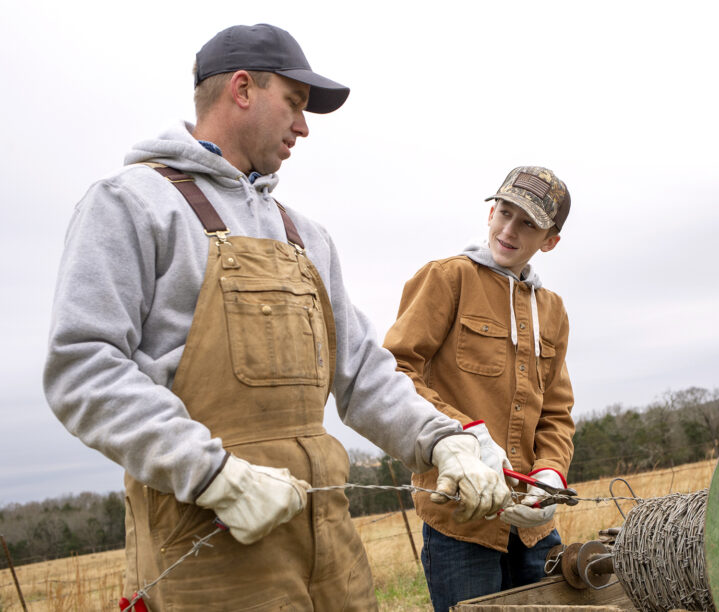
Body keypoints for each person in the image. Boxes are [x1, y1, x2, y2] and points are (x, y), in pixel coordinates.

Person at [43, 24, 511, 610]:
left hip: (328, 547)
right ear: (242, 89)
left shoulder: (306, 236)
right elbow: (83, 366)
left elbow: (364, 372)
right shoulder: (132, 204)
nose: (304, 126)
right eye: (294, 103)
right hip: (208, 546)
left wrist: (444, 442)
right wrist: (210, 474)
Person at [383, 166, 576, 611]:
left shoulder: (553, 310)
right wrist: (464, 437)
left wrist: (549, 476)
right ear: (490, 212)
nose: (509, 230)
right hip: (460, 521)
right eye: (504, 213)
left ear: (549, 240)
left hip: (533, 528)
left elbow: (557, 411)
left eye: (527, 223)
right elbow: (396, 371)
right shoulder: (446, 278)